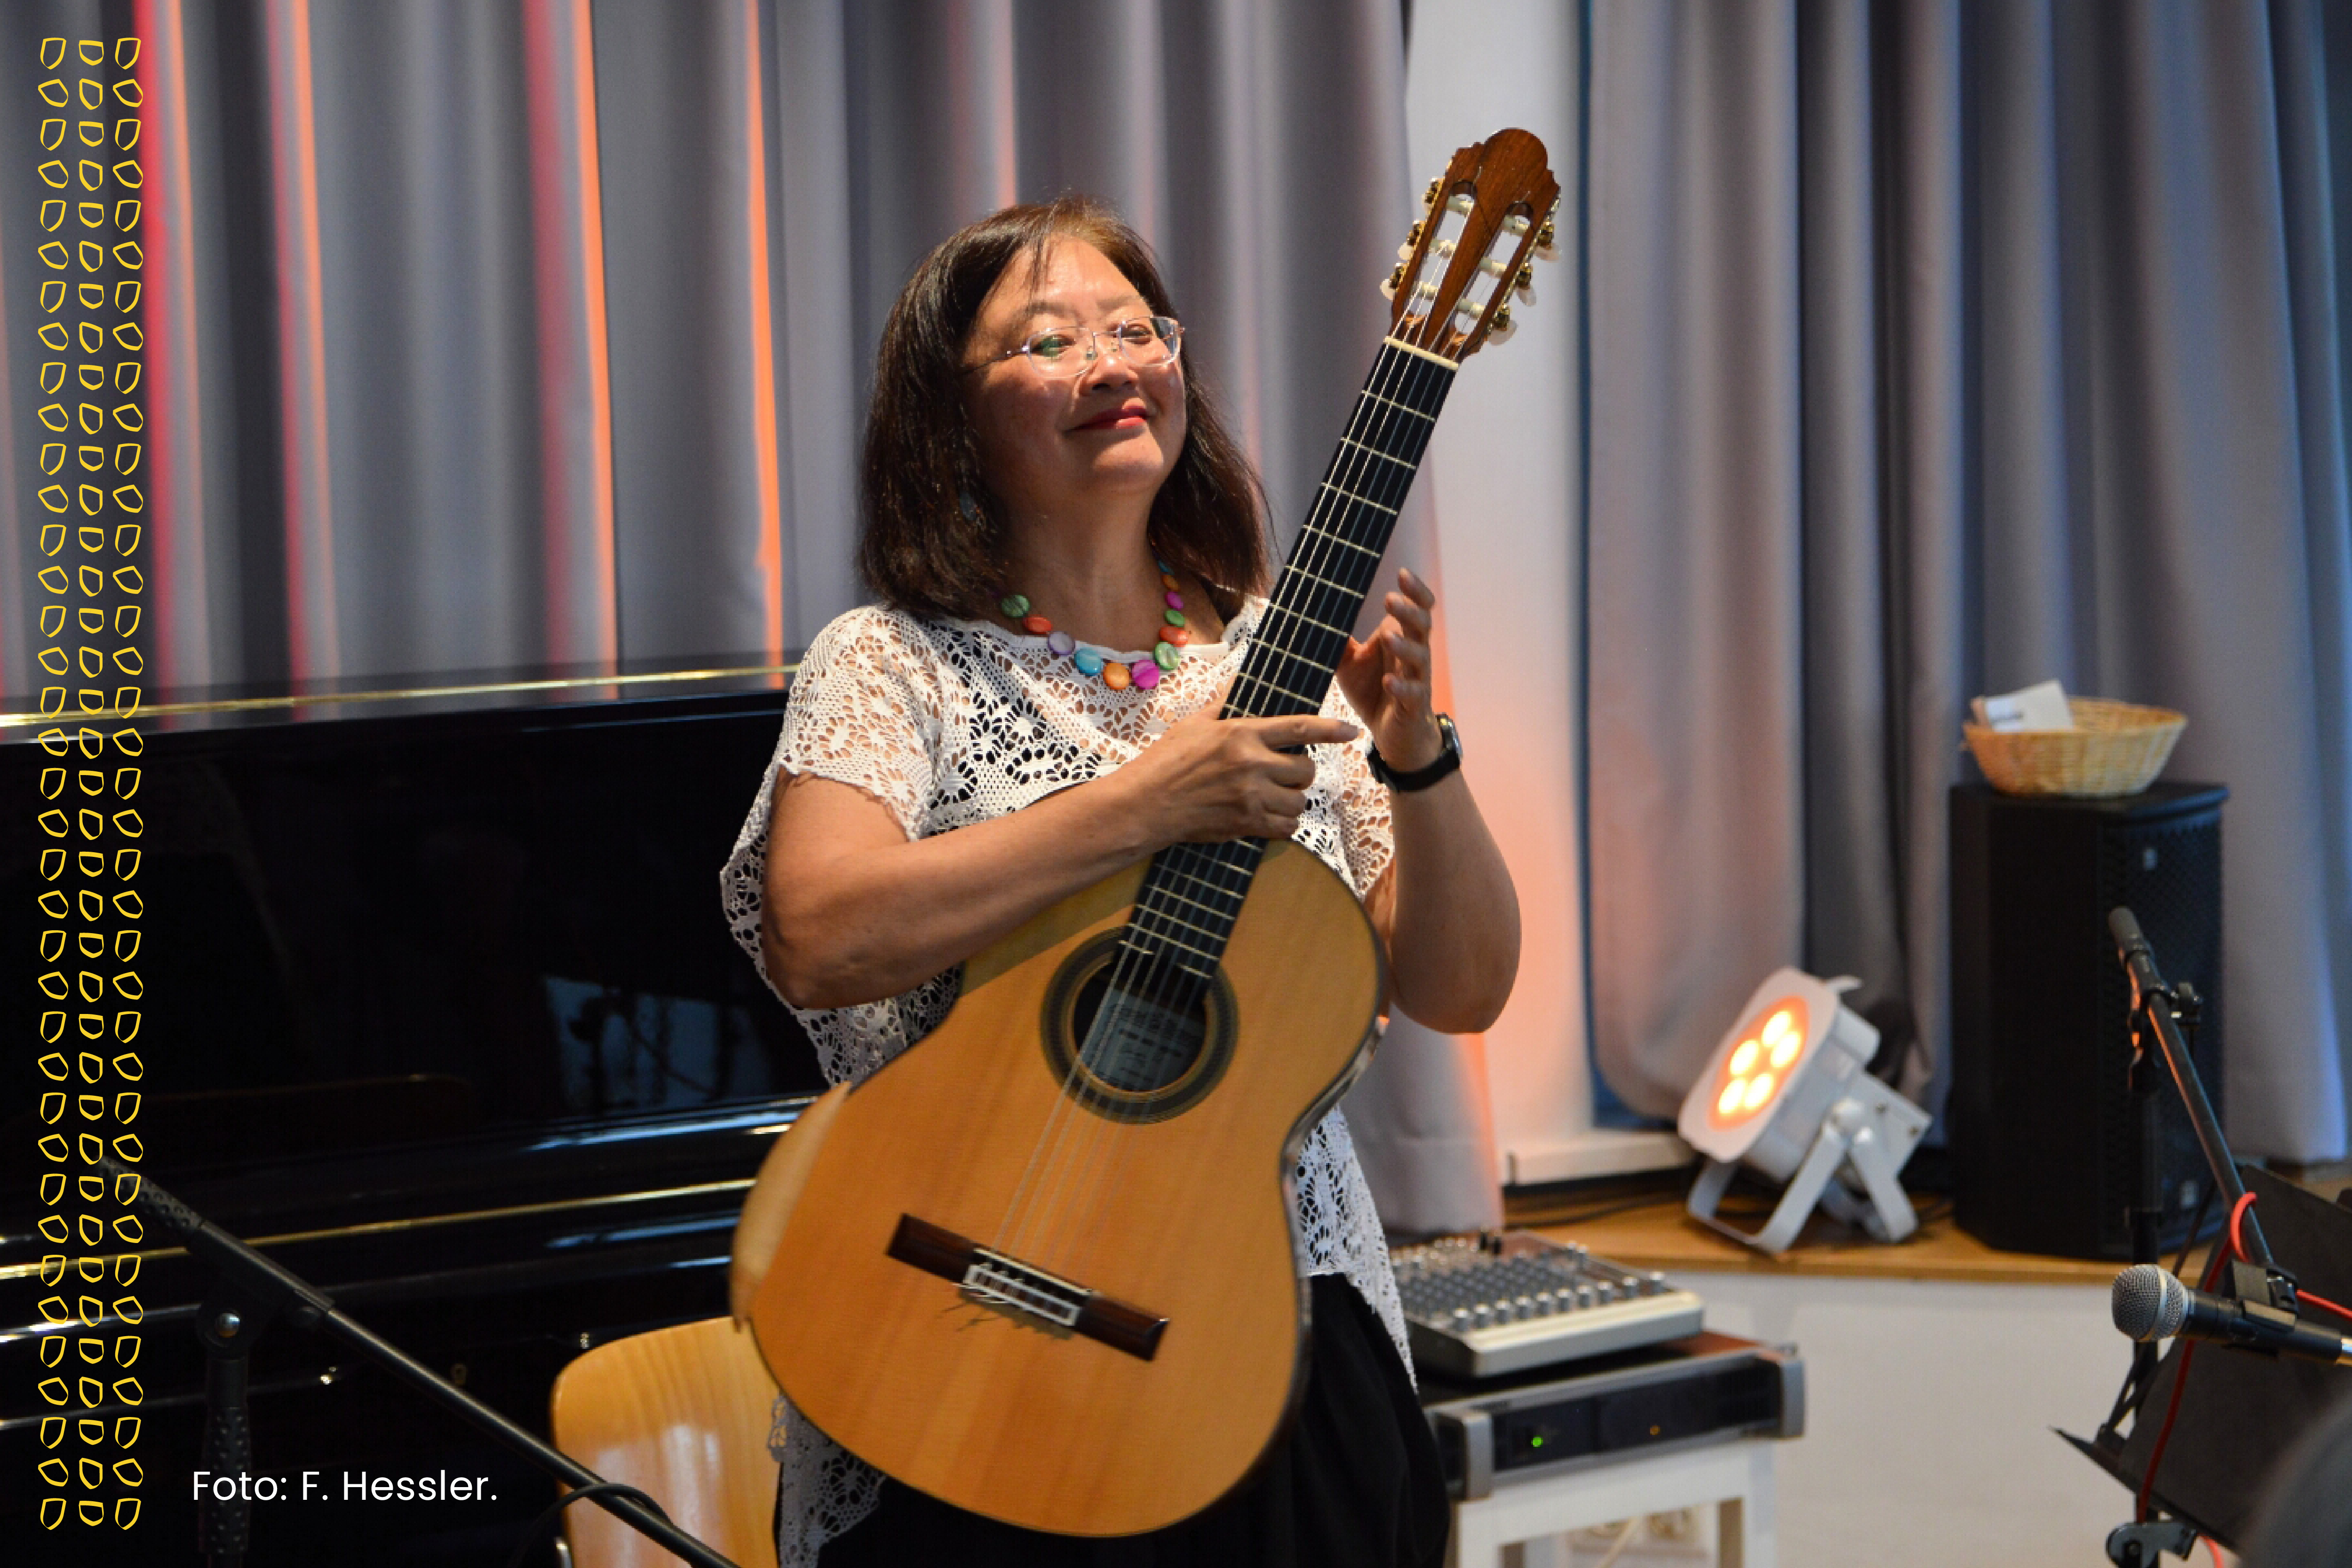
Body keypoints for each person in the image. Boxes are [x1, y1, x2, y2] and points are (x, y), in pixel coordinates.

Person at [720, 194, 1519, 1568]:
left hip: (1269, 1336)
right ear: (951, 418)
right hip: (960, 1326)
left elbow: (1462, 987)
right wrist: (1145, 804)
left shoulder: (1278, 660)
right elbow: (818, 932)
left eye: (1138, 328)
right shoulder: (892, 662)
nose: (1111, 363)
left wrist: (1416, 755)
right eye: (1048, 341)